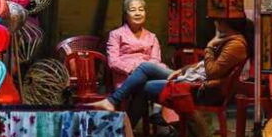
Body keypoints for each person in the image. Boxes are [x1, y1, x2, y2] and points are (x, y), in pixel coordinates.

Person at [92, 18, 252, 112]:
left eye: (219, 20)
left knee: (143, 85)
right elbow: (203, 65)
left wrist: (209, 46)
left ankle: (127, 126)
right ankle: (113, 102)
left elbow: (212, 72)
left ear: (227, 24)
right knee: (145, 67)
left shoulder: (235, 45)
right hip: (193, 78)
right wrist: (181, 71)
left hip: (200, 88)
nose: (216, 23)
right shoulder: (228, 40)